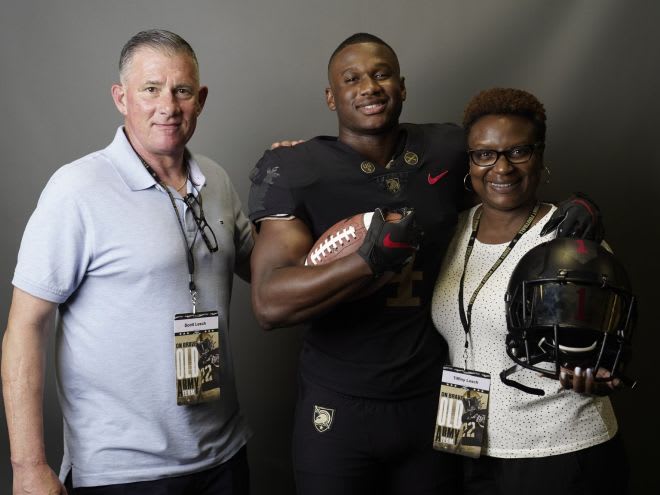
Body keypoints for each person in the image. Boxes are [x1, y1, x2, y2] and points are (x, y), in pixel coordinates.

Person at [248, 34, 598, 495]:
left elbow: (509, 176)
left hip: (435, 394)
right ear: (331, 97)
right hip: (339, 399)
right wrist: (366, 260)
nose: (369, 87)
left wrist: (579, 206)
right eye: (351, 79)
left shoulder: (448, 148)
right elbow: (268, 305)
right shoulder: (295, 167)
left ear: (403, 86)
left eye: (381, 74)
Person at [2, 30, 252, 494]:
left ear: (201, 99)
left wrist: (295, 181)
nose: (168, 106)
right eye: (150, 89)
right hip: (123, 470)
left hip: (224, 455)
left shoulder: (215, 179)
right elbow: (25, 326)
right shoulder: (77, 189)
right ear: (121, 97)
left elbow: (269, 272)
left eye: (182, 91)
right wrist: (27, 465)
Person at [431, 87, 629, 494]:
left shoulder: (572, 241)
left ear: (539, 156)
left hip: (557, 450)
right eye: (484, 154)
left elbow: (605, 352)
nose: (501, 167)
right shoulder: (454, 229)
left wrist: (597, 372)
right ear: (469, 162)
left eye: (518, 151)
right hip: (467, 441)